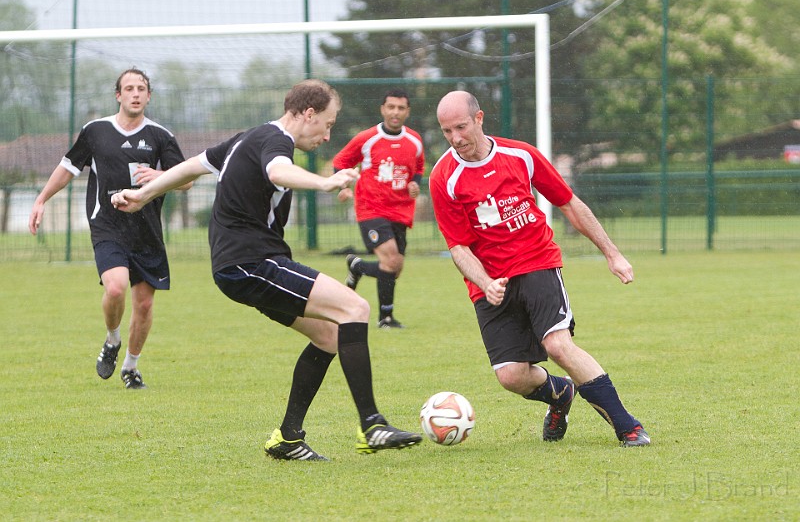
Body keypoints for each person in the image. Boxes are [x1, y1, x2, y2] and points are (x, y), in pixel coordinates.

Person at [111, 79, 422, 461]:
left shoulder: (248, 137)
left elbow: (193, 166)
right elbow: (277, 172)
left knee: (328, 335)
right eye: (327, 124)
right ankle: (372, 425)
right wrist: (325, 183)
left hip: (241, 266)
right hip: (252, 262)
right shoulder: (276, 142)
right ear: (307, 114)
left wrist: (144, 194)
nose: (328, 135)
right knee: (355, 309)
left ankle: (288, 438)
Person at [429, 91, 650, 447]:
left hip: (536, 262)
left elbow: (569, 204)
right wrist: (485, 282)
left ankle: (629, 427)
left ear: (479, 118)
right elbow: (458, 246)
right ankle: (559, 394)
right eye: (446, 131)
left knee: (559, 346)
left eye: (461, 127)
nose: (456, 138)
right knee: (511, 376)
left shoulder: (521, 156)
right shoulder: (444, 177)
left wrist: (612, 253)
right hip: (490, 282)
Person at [29, 68, 191, 390]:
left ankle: (131, 367)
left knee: (144, 304)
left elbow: (185, 179)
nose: (135, 93)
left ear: (148, 96)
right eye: (128, 88)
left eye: (141, 88)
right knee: (115, 289)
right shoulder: (96, 131)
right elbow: (68, 168)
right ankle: (112, 339)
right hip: (108, 226)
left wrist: (159, 177)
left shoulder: (160, 136)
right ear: (118, 95)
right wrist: (41, 199)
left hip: (147, 231)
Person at [333, 89, 425, 329]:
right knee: (391, 260)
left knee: (394, 269)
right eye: (391, 107)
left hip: (401, 212)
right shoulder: (367, 138)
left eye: (400, 108)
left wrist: (416, 183)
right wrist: (341, 186)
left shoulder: (414, 140)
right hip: (370, 209)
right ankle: (385, 319)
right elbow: (340, 161)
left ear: (407, 111)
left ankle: (357, 267)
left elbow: (419, 167)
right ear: (383, 109)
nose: (395, 112)